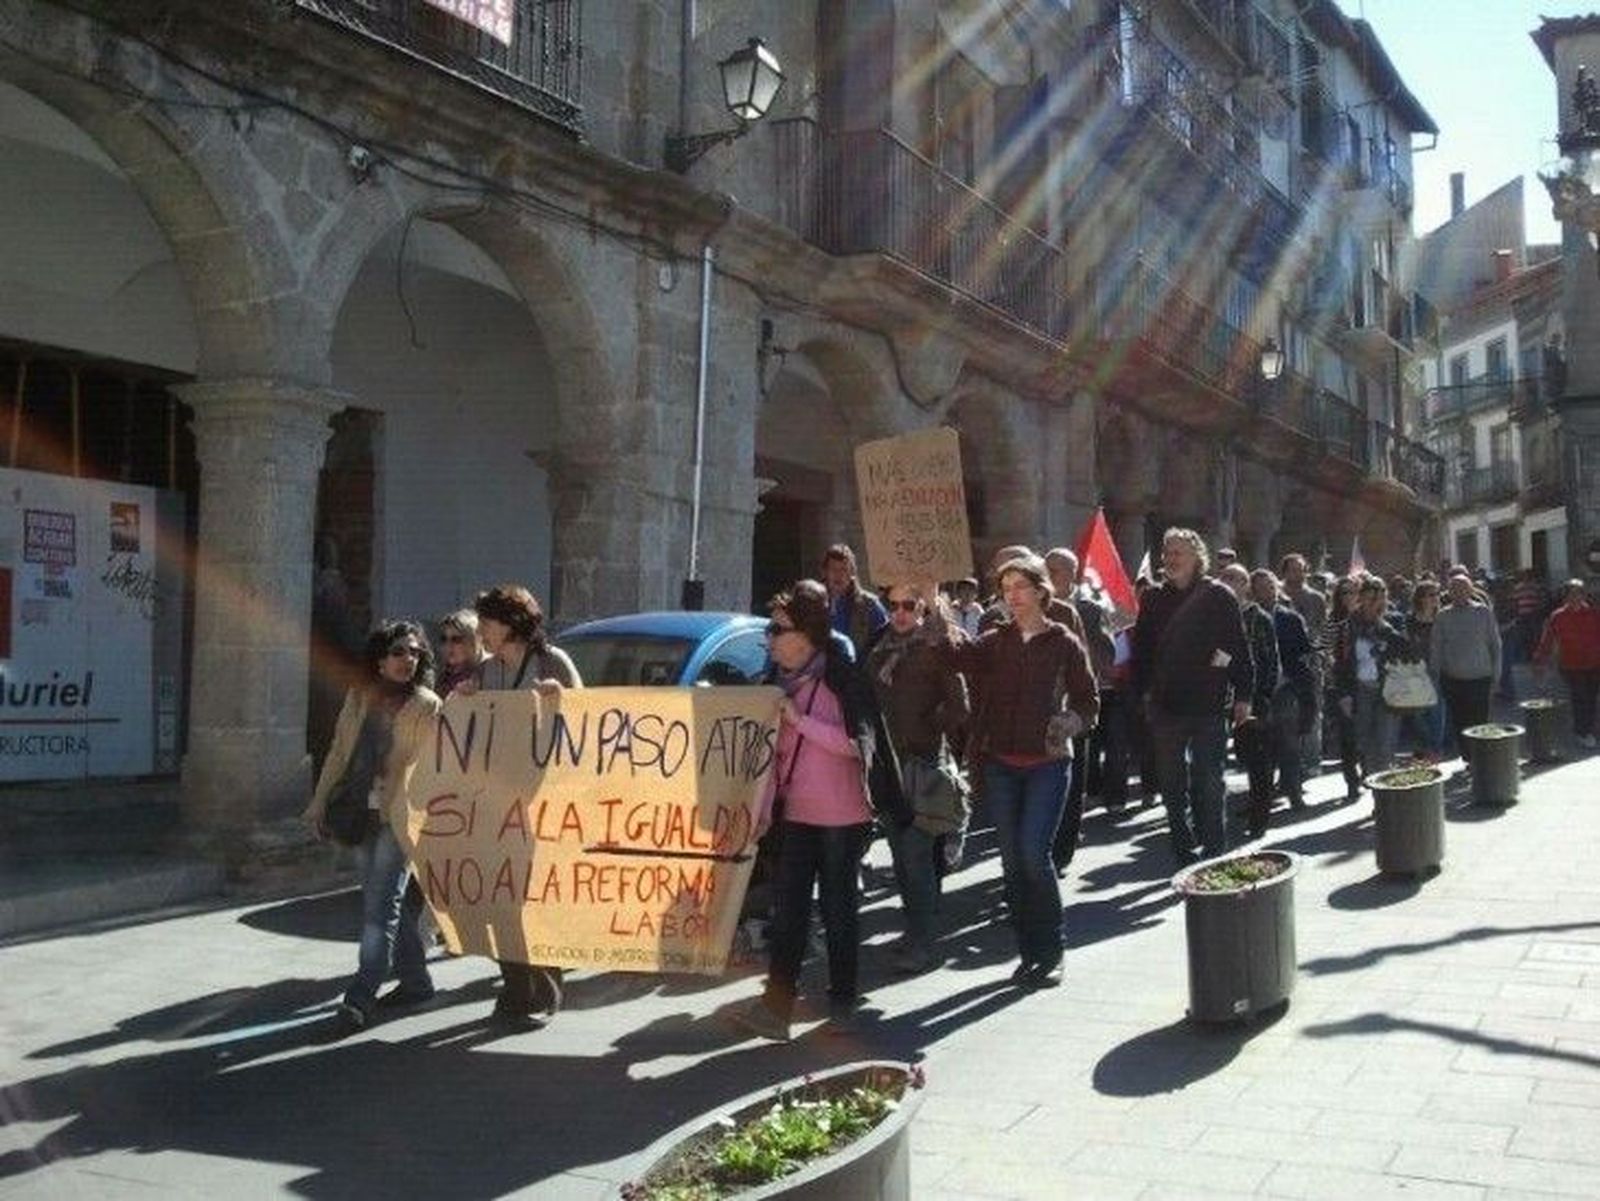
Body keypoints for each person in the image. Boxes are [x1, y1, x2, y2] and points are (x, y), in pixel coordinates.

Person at [733, 580, 912, 1040]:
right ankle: (776, 1007)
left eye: (779, 629)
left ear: (807, 635)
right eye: (769, 629)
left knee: (838, 907)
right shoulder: (774, 683)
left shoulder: (844, 679)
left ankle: (842, 998)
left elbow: (856, 746)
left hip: (842, 818)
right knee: (788, 910)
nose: (769, 638)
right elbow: (771, 753)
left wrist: (801, 721)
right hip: (795, 814)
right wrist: (764, 807)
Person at [935, 557, 1097, 987]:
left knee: (1032, 854)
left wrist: (1072, 722)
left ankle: (1053, 949)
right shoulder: (994, 641)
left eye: (1020, 585)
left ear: (1042, 591)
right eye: (1006, 587)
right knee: (1011, 864)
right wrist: (934, 603)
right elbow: (954, 656)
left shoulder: (1064, 643)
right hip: (1002, 765)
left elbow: (1088, 701)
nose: (1012, 594)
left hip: (1048, 764)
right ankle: (1029, 953)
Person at [303, 620, 442, 1036]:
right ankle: (416, 981)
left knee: (378, 909)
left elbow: (430, 768)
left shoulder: (427, 705)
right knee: (381, 901)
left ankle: (361, 994)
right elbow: (339, 752)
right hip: (357, 812)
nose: (408, 660)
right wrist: (317, 803)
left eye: (415, 653)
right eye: (399, 651)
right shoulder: (359, 698)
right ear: (380, 659)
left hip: (396, 818)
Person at [462, 584, 581, 1029]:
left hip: (543, 805)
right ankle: (514, 987)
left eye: (487, 624)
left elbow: (589, 725)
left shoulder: (554, 664)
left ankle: (544, 987)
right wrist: (468, 703)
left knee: (534, 900)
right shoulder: (488, 671)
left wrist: (561, 701)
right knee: (499, 899)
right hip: (498, 804)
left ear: (511, 624)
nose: (482, 633)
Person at [1130, 529, 1251, 867]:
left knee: (1209, 779)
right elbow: (1141, 651)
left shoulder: (1219, 596)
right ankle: (1183, 847)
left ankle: (1214, 850)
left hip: (1208, 705)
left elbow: (1236, 647)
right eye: (1166, 553)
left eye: (1178, 553)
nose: (1170, 559)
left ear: (1197, 557)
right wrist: (1141, 695)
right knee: (1171, 782)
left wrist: (1242, 693)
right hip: (1166, 706)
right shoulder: (1153, 599)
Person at [866, 583, 969, 974]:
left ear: (923, 607)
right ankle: (914, 932)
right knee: (900, 856)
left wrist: (928, 728)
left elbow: (961, 707)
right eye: (892, 605)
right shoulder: (879, 647)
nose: (900, 612)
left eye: (909, 605)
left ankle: (924, 943)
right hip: (886, 767)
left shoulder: (936, 648)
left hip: (923, 765)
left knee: (916, 856)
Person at [1044, 547, 1115, 873]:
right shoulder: (1031, 603)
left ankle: (1061, 852)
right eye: (1047, 569)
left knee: (1071, 783)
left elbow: (1104, 651)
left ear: (1072, 575)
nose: (1050, 575)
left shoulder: (1088, 609)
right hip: (1038, 707)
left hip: (1073, 706)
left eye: (1056, 570)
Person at [1332, 576, 1412, 786]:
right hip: (1360, 690)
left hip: (1388, 690)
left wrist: (1383, 626)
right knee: (1366, 743)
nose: (1376, 603)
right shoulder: (1348, 625)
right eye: (1370, 598)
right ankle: (1377, 782)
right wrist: (1344, 694)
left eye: (1381, 597)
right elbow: (1340, 662)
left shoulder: (1393, 620)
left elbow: (1406, 650)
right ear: (1361, 598)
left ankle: (1383, 799)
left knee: (1385, 745)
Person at [1220, 565, 1280, 839]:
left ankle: (1259, 818)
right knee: (1235, 757)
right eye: (1225, 580)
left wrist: (1262, 697)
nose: (1229, 584)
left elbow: (1270, 662)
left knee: (1258, 761)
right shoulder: (1217, 618)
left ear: (1245, 585)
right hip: (1222, 700)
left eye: (1234, 580)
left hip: (1254, 702)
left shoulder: (1259, 618)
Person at [1251, 568, 1315, 814]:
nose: (1266, 592)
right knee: (1260, 748)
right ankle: (1261, 801)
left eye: (1270, 586)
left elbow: (1304, 655)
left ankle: (1294, 793)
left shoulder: (1290, 619)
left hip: (1285, 689)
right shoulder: (1248, 618)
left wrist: (1306, 692)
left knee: (1289, 744)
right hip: (1259, 692)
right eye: (1260, 588)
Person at [1432, 571, 1501, 759]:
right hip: (1453, 679)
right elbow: (1436, 648)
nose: (1458, 592)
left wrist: (1497, 674)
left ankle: (1480, 758)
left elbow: (1495, 644)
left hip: (1480, 677)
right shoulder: (1442, 616)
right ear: (1449, 592)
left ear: (1470, 590)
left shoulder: (1483, 612)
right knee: (1459, 721)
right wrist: (1435, 677)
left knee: (1479, 721)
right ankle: (1468, 757)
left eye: (1463, 588)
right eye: (1454, 589)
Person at [1533, 580, 1600, 747]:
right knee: (1580, 697)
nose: (1575, 597)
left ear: (1584, 595)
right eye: (1572, 594)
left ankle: (1588, 728)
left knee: (1591, 698)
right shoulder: (1558, 616)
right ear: (1566, 596)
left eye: (1579, 593)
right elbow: (1547, 640)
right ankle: (1582, 732)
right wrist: (1540, 661)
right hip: (1571, 665)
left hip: (1594, 663)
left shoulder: (1594, 614)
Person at [1281, 553, 1328, 776]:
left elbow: (1323, 630)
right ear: (1285, 572)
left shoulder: (1317, 598)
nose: (1298, 573)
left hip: (1310, 663)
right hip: (1284, 664)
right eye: (1293, 569)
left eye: (1301, 569)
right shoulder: (1278, 596)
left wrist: (1321, 655)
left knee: (1312, 713)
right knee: (1286, 715)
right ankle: (1289, 763)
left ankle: (1311, 761)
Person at [1399, 580, 1446, 762]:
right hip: (1414, 672)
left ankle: (1435, 750)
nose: (1436, 598)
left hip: (1436, 671)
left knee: (1436, 713)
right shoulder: (1409, 620)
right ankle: (1424, 747)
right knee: (1418, 715)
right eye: (1431, 595)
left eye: (1437, 594)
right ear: (1421, 598)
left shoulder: (1442, 618)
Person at [822, 543, 887, 662]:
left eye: (844, 569)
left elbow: (885, 641)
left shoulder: (870, 605)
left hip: (856, 673)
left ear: (852, 573)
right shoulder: (815, 603)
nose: (838, 575)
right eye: (833, 569)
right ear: (825, 572)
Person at [434, 607, 487, 698]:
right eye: (444, 639)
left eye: (456, 640)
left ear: (474, 641)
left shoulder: (488, 673)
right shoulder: (441, 678)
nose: (448, 646)